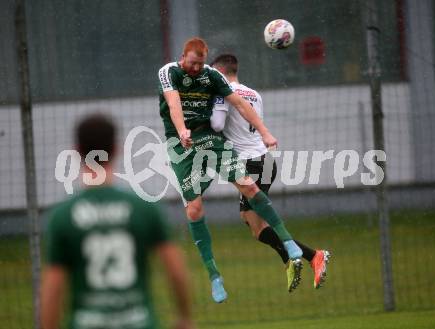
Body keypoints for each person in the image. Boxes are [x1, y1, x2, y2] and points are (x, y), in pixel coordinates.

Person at [158, 37, 304, 303]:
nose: (196, 69)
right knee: (194, 209)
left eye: (200, 64)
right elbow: (174, 104)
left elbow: (240, 103)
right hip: (180, 145)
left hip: (210, 140)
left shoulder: (211, 75)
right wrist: (181, 131)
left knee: (249, 185)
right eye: (192, 63)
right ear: (183, 57)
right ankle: (215, 276)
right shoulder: (168, 72)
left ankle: (290, 243)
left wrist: (265, 133)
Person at [41, 114, 194, 329]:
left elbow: (53, 288)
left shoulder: (63, 216)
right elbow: (175, 269)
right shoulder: (144, 208)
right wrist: (184, 317)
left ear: (77, 151)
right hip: (139, 322)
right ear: (116, 148)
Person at [210, 54, 330, 289]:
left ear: (220, 72)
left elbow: (217, 125)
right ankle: (294, 257)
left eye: (213, 74)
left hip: (249, 163)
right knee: (254, 223)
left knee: (256, 226)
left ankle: (311, 255)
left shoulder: (222, 93)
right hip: (263, 160)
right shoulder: (253, 94)